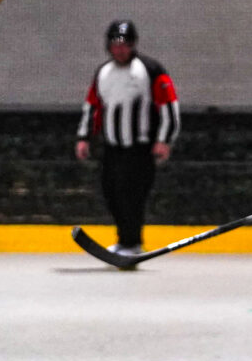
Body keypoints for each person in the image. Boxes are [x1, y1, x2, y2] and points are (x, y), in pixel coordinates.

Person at [75, 20, 180, 257]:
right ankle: (124, 240)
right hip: (112, 147)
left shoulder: (150, 69)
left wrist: (164, 140)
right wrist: (84, 137)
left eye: (124, 45)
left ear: (133, 45)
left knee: (132, 195)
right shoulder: (103, 72)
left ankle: (132, 243)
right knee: (111, 192)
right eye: (115, 45)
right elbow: (92, 106)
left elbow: (169, 106)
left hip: (139, 148)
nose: (119, 50)